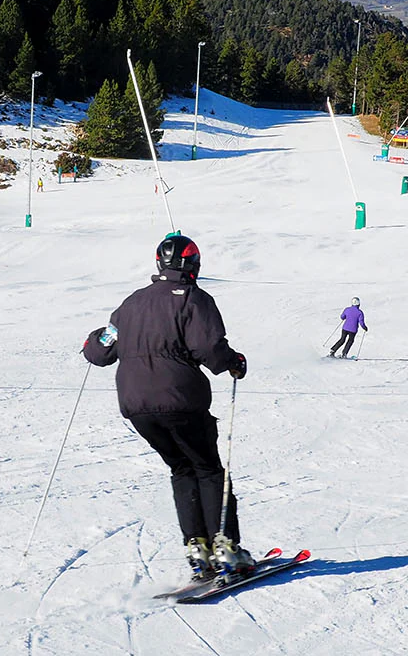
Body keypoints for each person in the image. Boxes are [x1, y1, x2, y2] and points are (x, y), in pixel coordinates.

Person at [83, 234, 253, 582]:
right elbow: (209, 347)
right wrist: (234, 362)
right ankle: (227, 548)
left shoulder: (131, 304)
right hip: (181, 399)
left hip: (136, 405)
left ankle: (197, 547)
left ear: (159, 263)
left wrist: (92, 337)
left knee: (181, 468)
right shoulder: (194, 299)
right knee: (208, 469)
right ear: (194, 265)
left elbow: (100, 351)